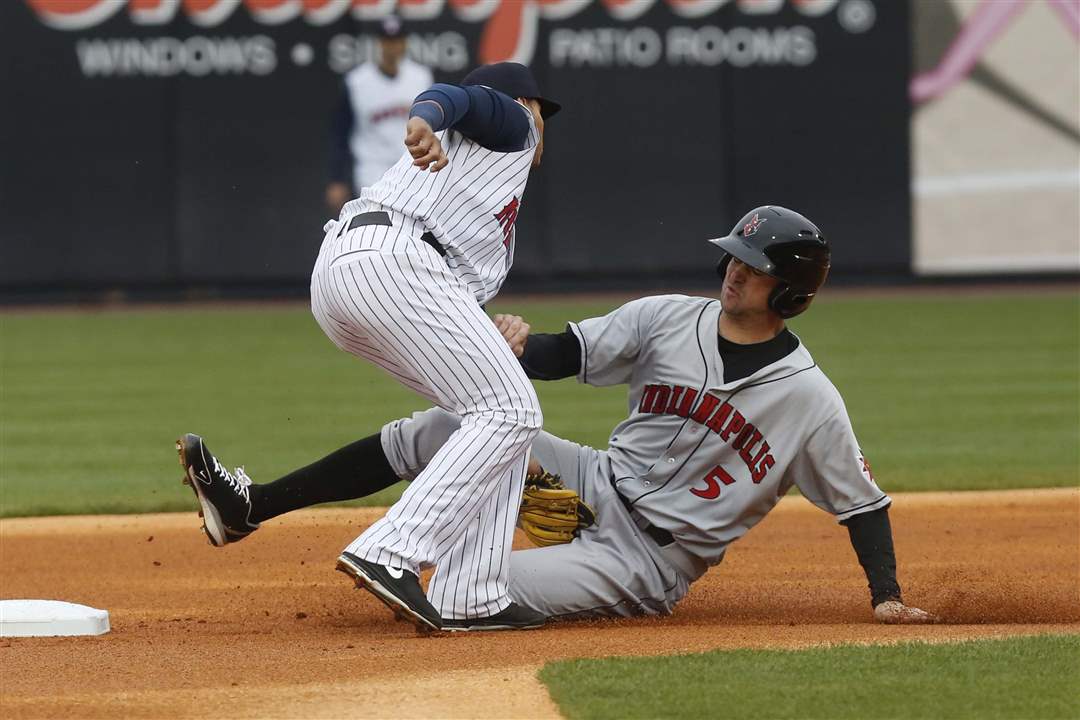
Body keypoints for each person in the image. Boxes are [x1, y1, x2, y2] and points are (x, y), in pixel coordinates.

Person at [177, 206, 935, 628]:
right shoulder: (668, 318)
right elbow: (564, 352)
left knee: (460, 597)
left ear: (791, 293)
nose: (736, 270)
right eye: (736, 256)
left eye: (756, 266)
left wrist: (886, 594)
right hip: (593, 485)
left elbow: (862, 505)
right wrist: (510, 341)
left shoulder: (809, 399)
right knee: (443, 425)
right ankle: (251, 507)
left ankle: (467, 589)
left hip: (649, 560)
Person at [179, 62, 561, 634]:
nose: (542, 124)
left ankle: (473, 593)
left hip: (354, 272)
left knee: (492, 413)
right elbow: (453, 97)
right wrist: (426, 119)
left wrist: (489, 334)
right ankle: (391, 549)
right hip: (391, 261)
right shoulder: (514, 122)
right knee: (509, 409)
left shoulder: (485, 181)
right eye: (539, 108)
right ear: (524, 103)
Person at [325, 16, 433, 212]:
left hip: (412, 166)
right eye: (388, 41)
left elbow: (435, 127)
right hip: (372, 169)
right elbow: (340, 133)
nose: (393, 46)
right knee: (376, 228)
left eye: (397, 40)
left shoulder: (421, 77)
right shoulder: (357, 81)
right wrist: (337, 178)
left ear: (405, 42)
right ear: (380, 43)